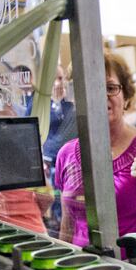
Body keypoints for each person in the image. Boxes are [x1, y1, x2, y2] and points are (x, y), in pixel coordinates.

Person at [55, 53, 136, 270]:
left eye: (110, 88)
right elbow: (67, 222)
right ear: (75, 98)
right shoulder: (66, 154)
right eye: (89, 89)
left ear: (126, 94)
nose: (100, 97)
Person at [41, 64, 78, 237]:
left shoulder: (70, 104)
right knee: (56, 203)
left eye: (61, 78)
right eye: (53, 79)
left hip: (70, 165)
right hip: (49, 164)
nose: (57, 83)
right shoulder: (40, 104)